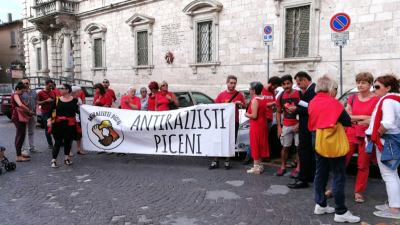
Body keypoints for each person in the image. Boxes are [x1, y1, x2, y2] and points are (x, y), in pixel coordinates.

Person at [308, 75, 360, 223]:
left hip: (317, 140)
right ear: (331, 88)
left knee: (321, 173)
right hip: (333, 143)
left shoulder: (313, 101)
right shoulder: (333, 103)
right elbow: (347, 121)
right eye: (335, 89)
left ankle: (320, 204)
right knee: (338, 174)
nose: (336, 92)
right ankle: (341, 211)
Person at [366, 74, 400, 219]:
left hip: (387, 141)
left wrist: (377, 135)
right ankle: (395, 203)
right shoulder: (395, 100)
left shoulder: (387, 101)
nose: (374, 89)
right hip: (393, 140)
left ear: (388, 88)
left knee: (389, 175)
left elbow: (387, 123)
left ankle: (394, 209)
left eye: (377, 87)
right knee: (393, 174)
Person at [344, 72, 380, 203]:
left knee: (363, 165)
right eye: (358, 82)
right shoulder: (352, 98)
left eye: (363, 82)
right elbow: (347, 116)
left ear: (370, 84)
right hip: (351, 132)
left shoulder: (376, 99)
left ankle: (358, 192)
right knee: (342, 161)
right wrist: (364, 117)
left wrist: (358, 118)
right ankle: (335, 187)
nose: (360, 85)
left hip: (367, 136)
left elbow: (376, 118)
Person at [209, 75, 245, 169]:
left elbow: (243, 107)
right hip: (222, 122)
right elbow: (215, 107)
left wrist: (240, 105)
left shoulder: (239, 95)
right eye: (231, 83)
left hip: (234, 121)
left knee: (231, 141)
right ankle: (215, 161)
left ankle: (227, 161)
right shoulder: (221, 95)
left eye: (234, 83)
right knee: (218, 140)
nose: (233, 85)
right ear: (227, 83)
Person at [287, 71, 316, 189]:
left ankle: (303, 179)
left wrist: (296, 110)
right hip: (306, 125)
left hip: (307, 127)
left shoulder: (312, 90)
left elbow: (312, 109)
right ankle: (309, 175)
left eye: (299, 83)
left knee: (304, 152)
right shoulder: (310, 90)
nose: (298, 86)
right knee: (308, 152)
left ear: (305, 80)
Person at [48, 84, 79, 168]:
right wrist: (49, 120)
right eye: (59, 88)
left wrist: (81, 107)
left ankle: (66, 158)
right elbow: (50, 111)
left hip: (70, 125)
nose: (60, 90)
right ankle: (54, 160)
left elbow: (79, 112)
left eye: (62, 88)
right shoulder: (57, 99)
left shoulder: (75, 101)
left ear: (68, 90)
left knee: (68, 142)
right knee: (57, 142)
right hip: (58, 125)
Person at [275, 75, 301, 177]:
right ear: (282, 85)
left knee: (299, 147)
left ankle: (298, 168)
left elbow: (305, 111)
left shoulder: (299, 94)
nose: (286, 86)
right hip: (286, 125)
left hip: (298, 125)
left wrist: (299, 124)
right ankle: (282, 167)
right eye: (284, 84)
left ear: (291, 83)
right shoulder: (281, 96)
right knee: (285, 147)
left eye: (288, 83)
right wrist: (279, 127)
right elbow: (278, 112)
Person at [245, 82, 269, 174]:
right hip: (263, 124)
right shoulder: (263, 98)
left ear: (254, 90)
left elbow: (254, 115)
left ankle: (256, 167)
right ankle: (260, 165)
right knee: (261, 144)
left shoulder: (255, 100)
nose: (249, 90)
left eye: (250, 89)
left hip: (256, 125)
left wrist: (246, 114)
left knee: (255, 144)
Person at [11, 82, 33, 162]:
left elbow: (21, 104)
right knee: (20, 136)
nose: (23, 93)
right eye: (22, 91)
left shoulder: (18, 95)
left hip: (19, 117)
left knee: (21, 135)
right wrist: (28, 110)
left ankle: (19, 154)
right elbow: (20, 105)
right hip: (18, 117)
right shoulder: (15, 95)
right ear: (17, 89)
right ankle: (18, 156)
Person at [21, 78, 39, 154]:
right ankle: (24, 149)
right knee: (23, 132)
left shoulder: (34, 92)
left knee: (31, 132)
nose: (25, 85)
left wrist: (36, 111)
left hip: (33, 114)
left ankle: (32, 147)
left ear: (29, 83)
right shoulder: (20, 93)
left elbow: (37, 102)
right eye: (24, 83)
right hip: (24, 115)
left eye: (27, 83)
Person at [38, 79, 57, 150]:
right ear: (46, 84)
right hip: (45, 112)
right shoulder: (40, 93)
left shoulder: (53, 92)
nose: (50, 87)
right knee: (48, 128)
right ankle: (50, 144)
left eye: (52, 86)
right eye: (49, 86)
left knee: (55, 127)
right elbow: (37, 102)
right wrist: (46, 101)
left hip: (53, 112)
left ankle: (57, 143)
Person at [71, 86, 86, 155]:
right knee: (69, 135)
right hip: (71, 119)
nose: (80, 92)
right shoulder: (69, 99)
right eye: (79, 91)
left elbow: (81, 108)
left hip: (78, 119)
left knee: (79, 134)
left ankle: (79, 149)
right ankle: (69, 151)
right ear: (75, 92)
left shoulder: (79, 99)